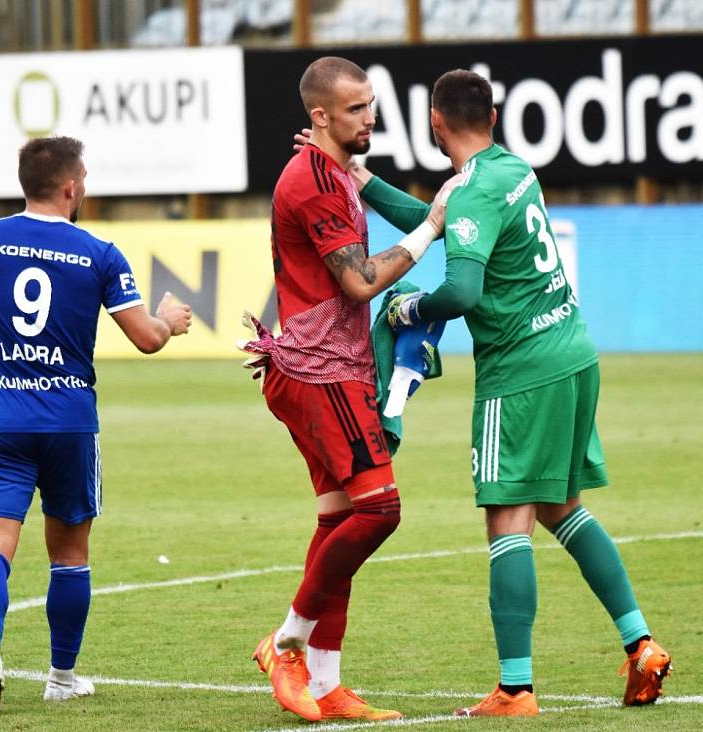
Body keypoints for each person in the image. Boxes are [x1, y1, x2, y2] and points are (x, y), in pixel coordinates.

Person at [339, 69, 671, 716]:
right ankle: (641, 645)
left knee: (506, 521)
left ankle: (515, 688)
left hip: (520, 373)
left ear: (436, 125)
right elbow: (443, 220)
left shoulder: (472, 194)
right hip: (573, 354)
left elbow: (461, 289)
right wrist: (366, 183)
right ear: (492, 118)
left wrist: (408, 313)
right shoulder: (512, 169)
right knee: (560, 507)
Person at [0, 136, 192, 716]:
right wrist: (170, 320)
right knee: (70, 553)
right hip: (70, 426)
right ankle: (60, 676)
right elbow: (147, 338)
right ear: (71, 186)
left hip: (2, 419)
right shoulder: (100, 252)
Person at [241, 56, 457, 723]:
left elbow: (349, 191)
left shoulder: (330, 169)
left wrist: (359, 172)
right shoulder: (311, 180)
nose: (372, 116)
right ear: (321, 116)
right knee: (380, 511)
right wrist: (431, 229)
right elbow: (360, 281)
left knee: (341, 520)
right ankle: (286, 643)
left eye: (371, 104)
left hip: (328, 366)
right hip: (320, 371)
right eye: (358, 108)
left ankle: (328, 682)